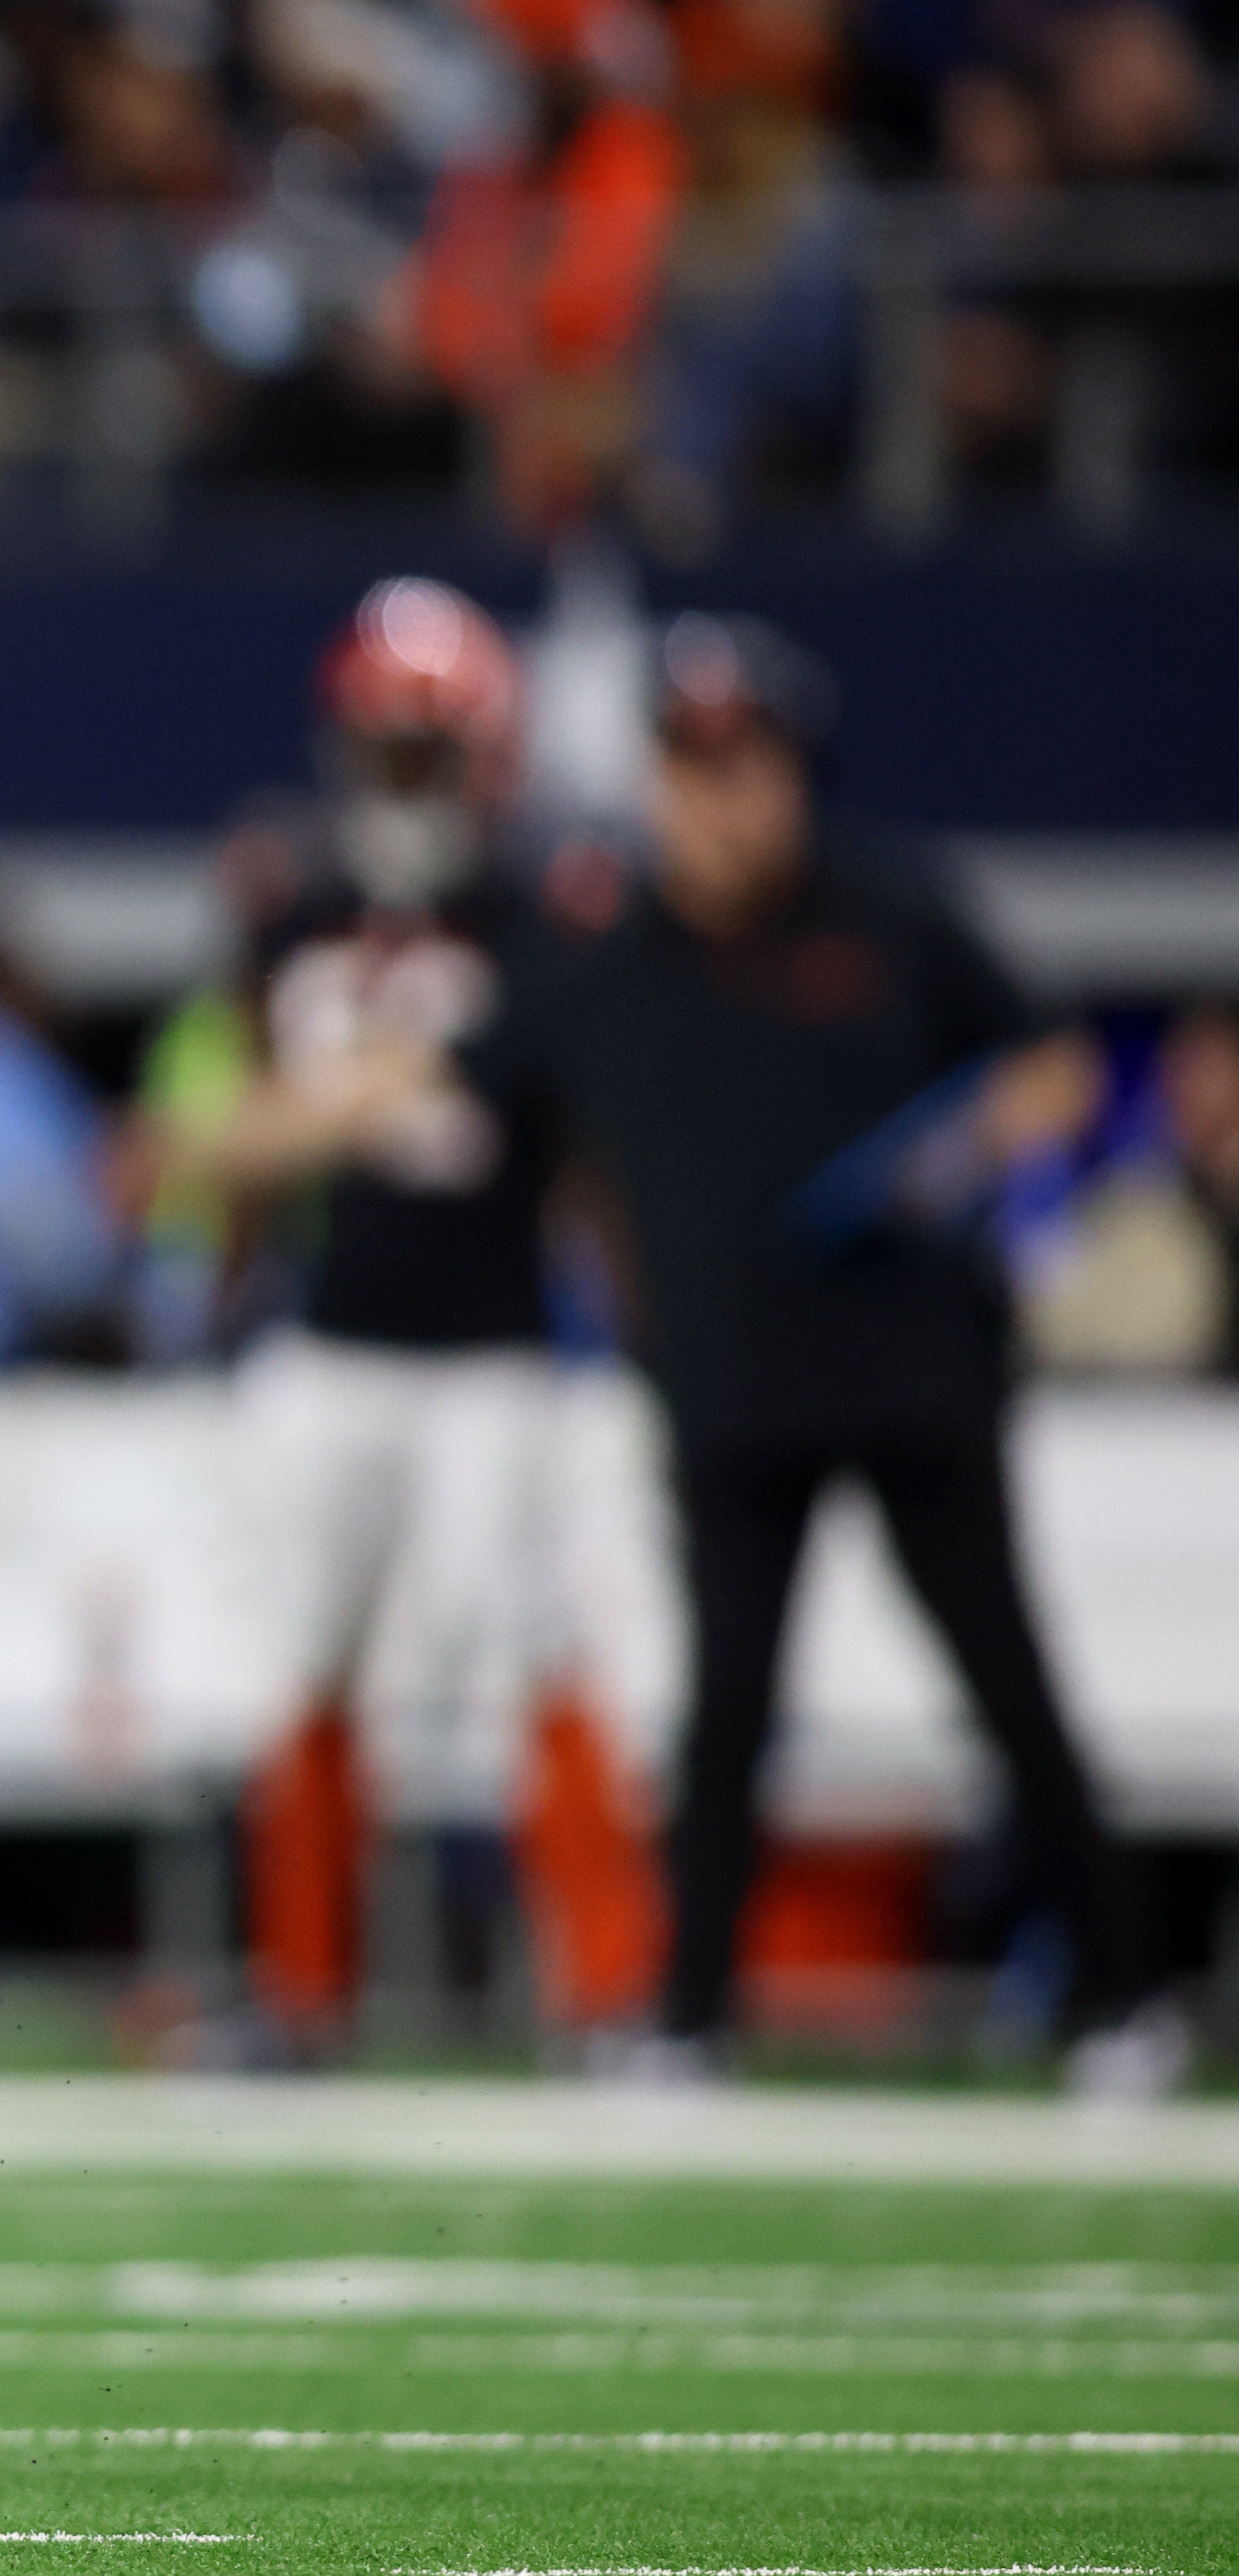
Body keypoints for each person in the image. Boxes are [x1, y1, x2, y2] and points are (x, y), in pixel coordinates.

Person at [323, 617, 1182, 2096]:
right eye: (688, 768)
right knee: (723, 1709)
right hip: (728, 1385)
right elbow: (437, 1079)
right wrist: (235, 1131)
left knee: (1008, 1685)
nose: (716, 801)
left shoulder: (890, 914)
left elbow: (1053, 1068)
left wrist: (949, 1154)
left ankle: (1122, 1994)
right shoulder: (603, 963)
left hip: (912, 1373)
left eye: (744, 766)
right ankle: (688, 2011)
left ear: (795, 774)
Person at [170, 580, 644, 2055]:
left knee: (530, 1649)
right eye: (384, 748)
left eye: (424, 750)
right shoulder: (296, 907)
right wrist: (269, 1195)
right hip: (333, 1336)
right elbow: (233, 1121)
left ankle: (615, 1999)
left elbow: (566, 1134)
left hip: (493, 1344)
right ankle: (302, 1997)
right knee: (303, 1660)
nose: (400, 779)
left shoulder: (534, 916)